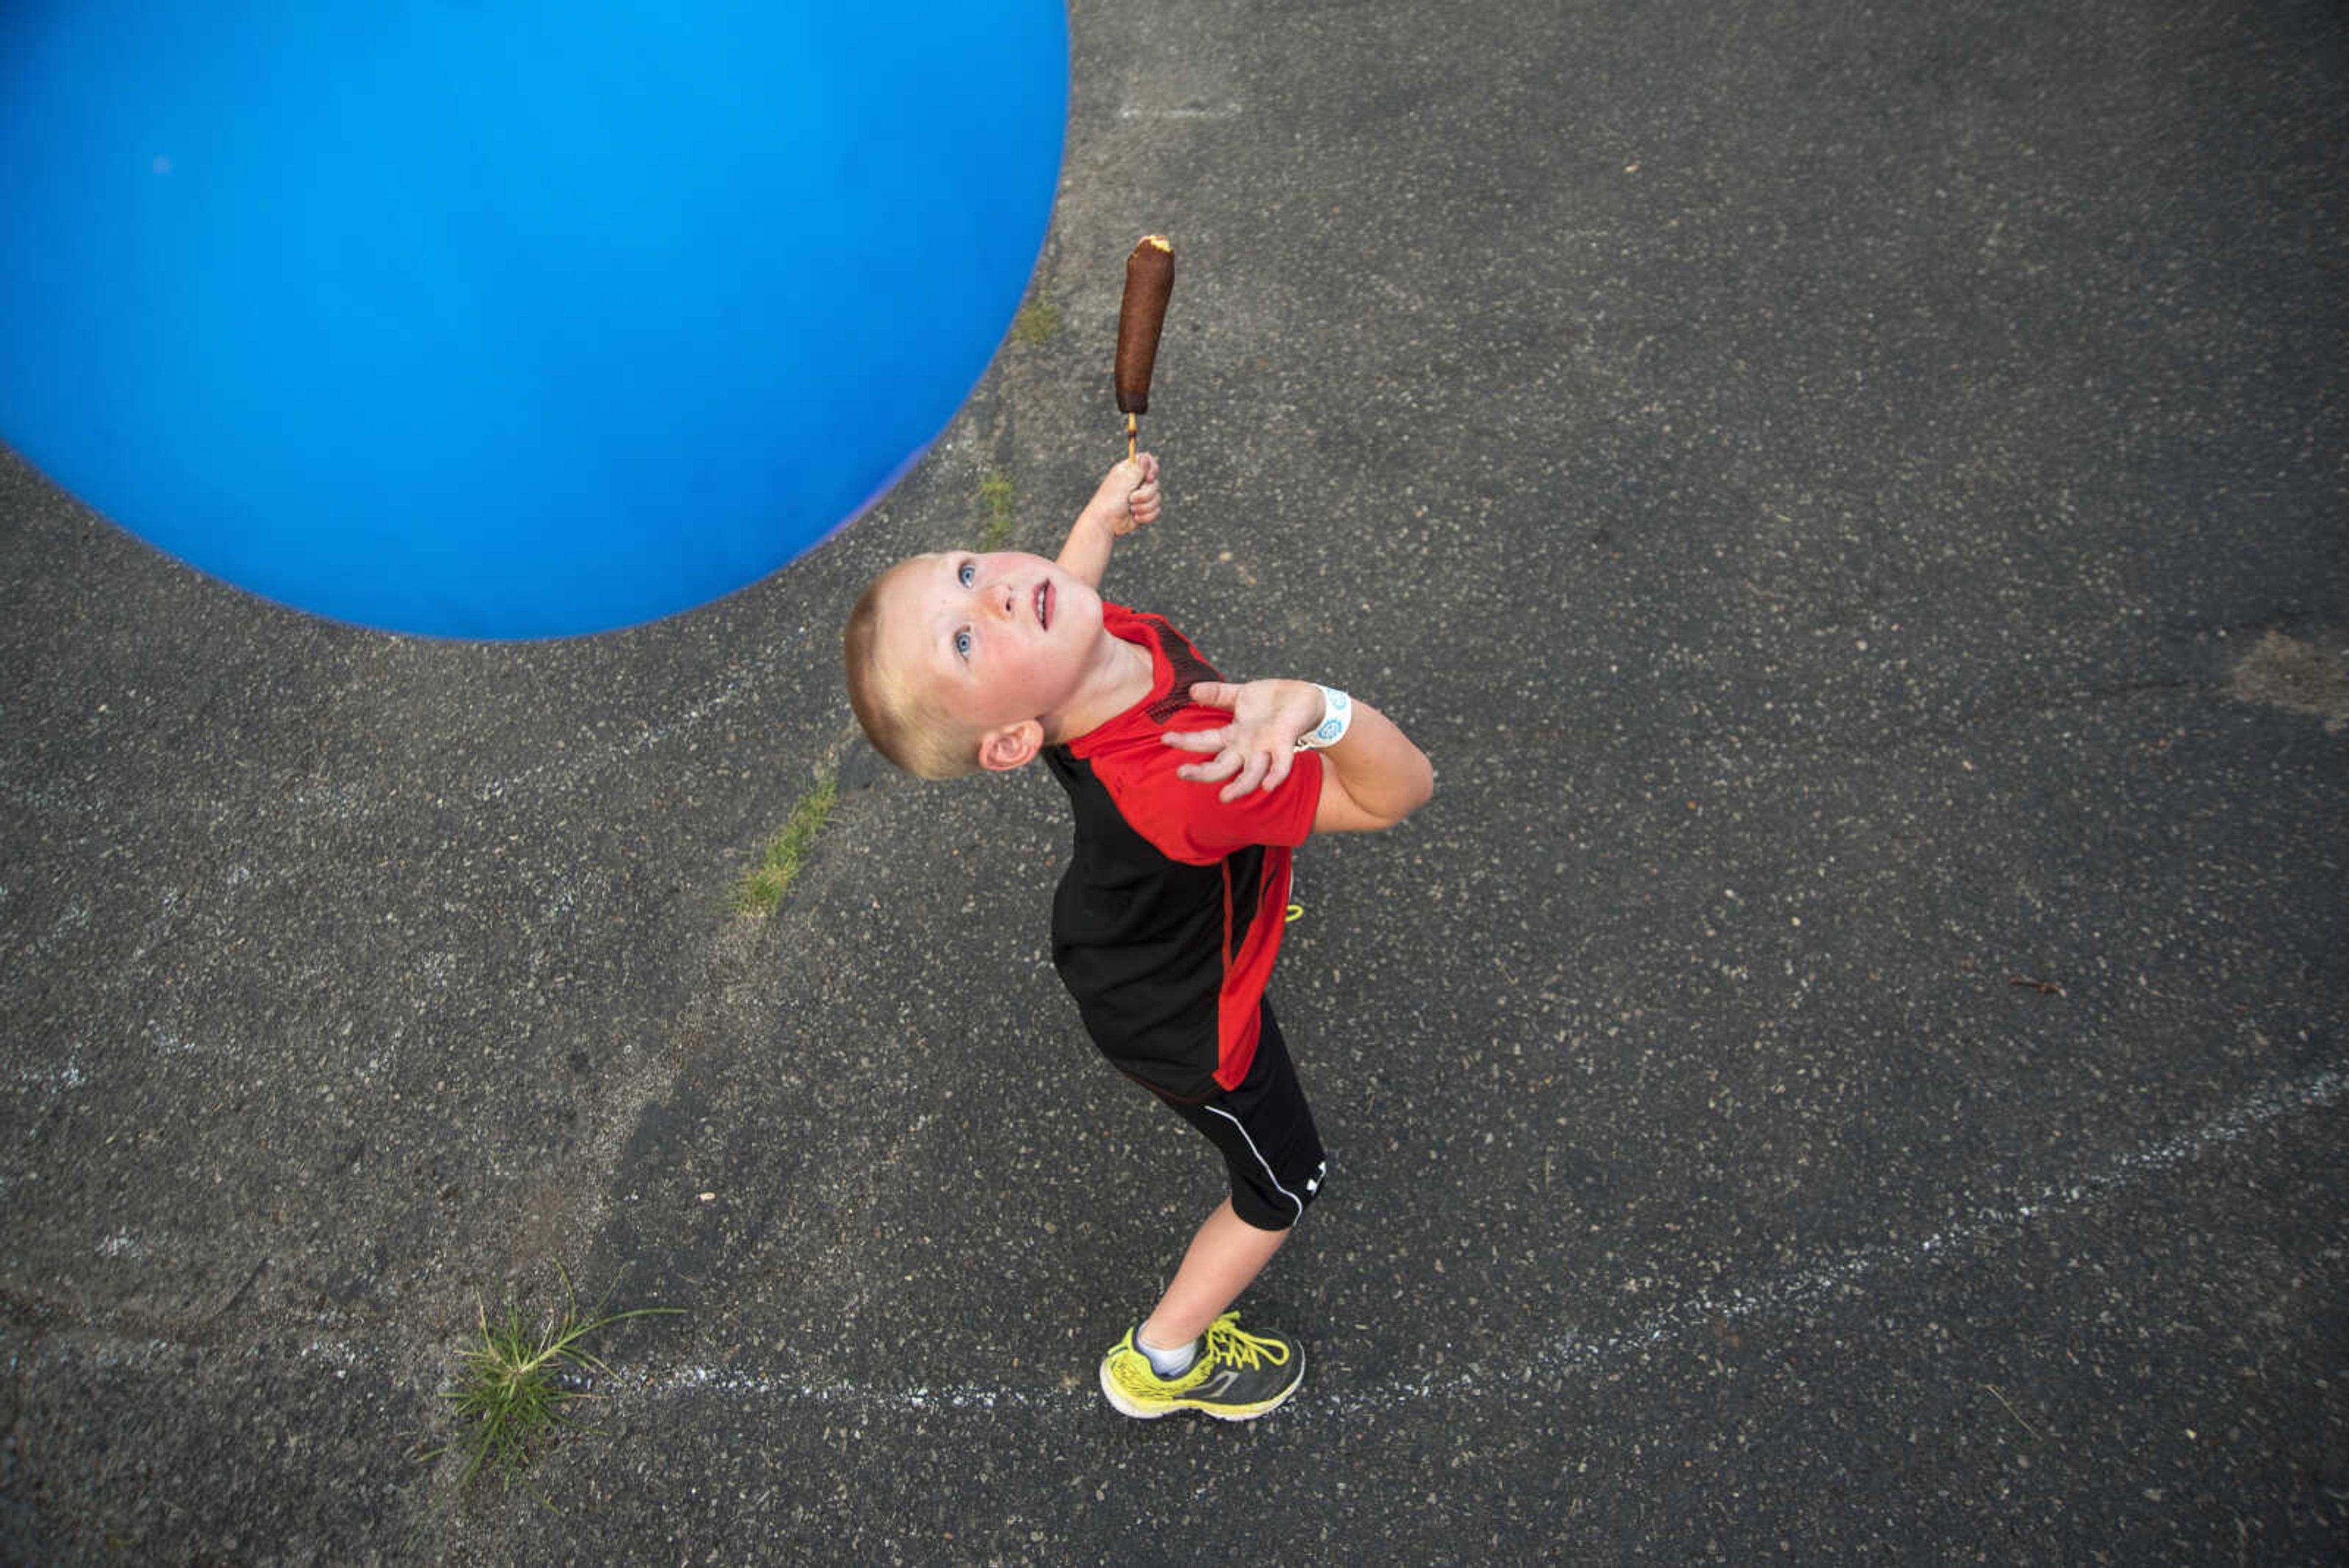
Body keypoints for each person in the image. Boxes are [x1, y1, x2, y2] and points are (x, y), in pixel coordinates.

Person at [842, 455, 1433, 1419]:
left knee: (1213, 854)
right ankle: (1160, 1363)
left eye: (962, 570)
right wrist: (1325, 711)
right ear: (1011, 745)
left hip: (1129, 918)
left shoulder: (1075, 645)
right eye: (961, 641)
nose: (994, 593)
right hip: (1185, 1017)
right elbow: (1400, 791)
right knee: (1285, 1185)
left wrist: (1099, 518)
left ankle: (1236, 892)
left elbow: (1057, 595)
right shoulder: (1195, 773)